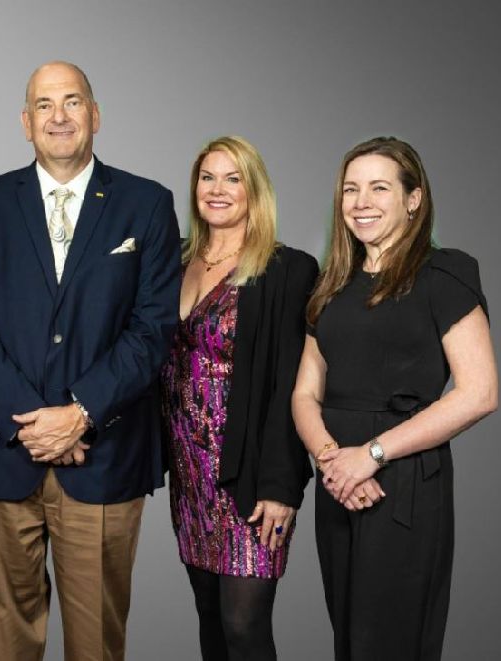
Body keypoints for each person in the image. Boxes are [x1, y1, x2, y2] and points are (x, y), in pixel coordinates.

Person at [0, 60, 180, 661]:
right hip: (5, 454)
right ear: (26, 122)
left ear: (95, 115)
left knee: (96, 645)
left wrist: (80, 413)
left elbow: (152, 328)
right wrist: (36, 421)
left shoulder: (146, 204)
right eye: (45, 105)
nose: (59, 117)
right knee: (5, 644)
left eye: (72, 102)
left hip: (104, 458)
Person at [292, 137, 497, 660]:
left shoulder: (444, 274)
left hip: (401, 479)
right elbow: (304, 393)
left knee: (391, 644)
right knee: (349, 638)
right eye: (350, 189)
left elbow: (479, 393)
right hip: (337, 479)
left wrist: (372, 456)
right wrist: (333, 460)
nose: (361, 201)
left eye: (379, 187)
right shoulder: (331, 285)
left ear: (413, 199)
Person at [161, 136, 317, 660]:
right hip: (188, 473)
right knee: (210, 621)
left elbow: (290, 388)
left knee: (244, 626)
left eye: (233, 179)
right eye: (208, 177)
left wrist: (282, 486)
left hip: (249, 477)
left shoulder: (287, 270)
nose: (218, 189)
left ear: (255, 191)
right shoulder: (172, 263)